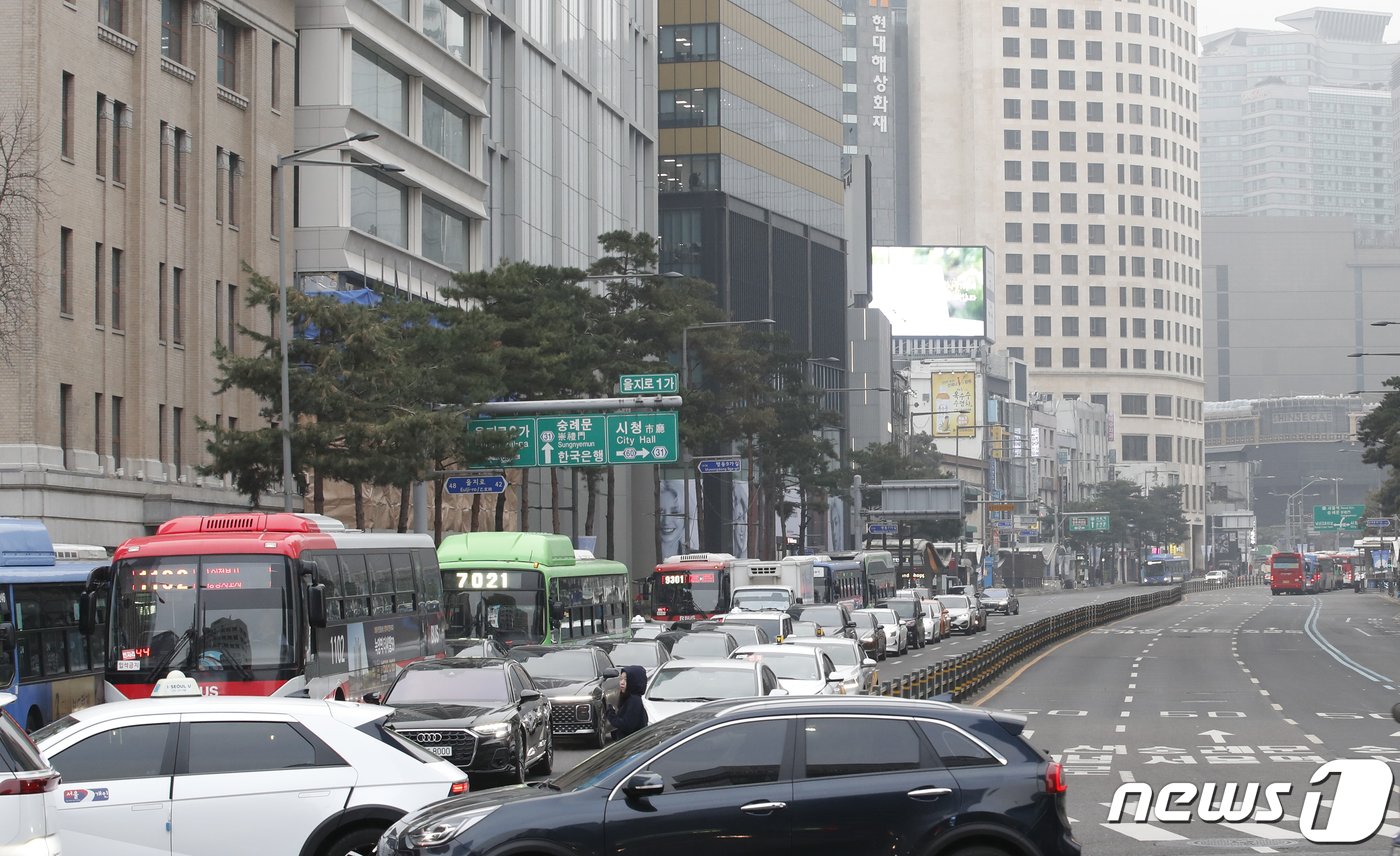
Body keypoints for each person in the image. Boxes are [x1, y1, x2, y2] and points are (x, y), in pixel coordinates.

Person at [605, 665, 649, 740]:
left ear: (634, 682)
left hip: (633, 746)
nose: (622, 683)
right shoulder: (629, 698)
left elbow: (627, 725)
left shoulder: (634, 701)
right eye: (621, 679)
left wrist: (611, 714)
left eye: (626, 680)